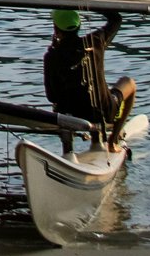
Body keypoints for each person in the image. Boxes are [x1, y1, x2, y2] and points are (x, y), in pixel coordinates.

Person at [43, 8, 136, 154]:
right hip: (104, 112)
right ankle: (112, 140)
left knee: (66, 103)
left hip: (71, 118)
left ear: (56, 30)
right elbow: (116, 19)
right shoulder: (96, 40)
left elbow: (51, 96)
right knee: (129, 83)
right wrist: (92, 5)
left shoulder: (52, 55)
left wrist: (55, 51)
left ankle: (68, 151)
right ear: (79, 26)